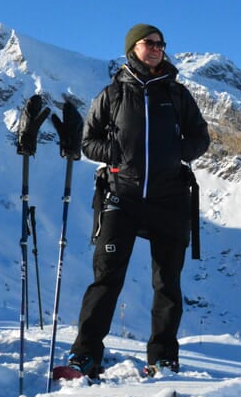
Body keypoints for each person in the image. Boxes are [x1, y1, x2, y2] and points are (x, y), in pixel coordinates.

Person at [65, 23, 210, 377]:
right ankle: (85, 354)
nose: (158, 49)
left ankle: (162, 356)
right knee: (106, 279)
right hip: (121, 196)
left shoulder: (177, 95)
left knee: (167, 283)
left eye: (161, 44)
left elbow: (201, 138)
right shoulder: (112, 95)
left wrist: (177, 151)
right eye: (150, 43)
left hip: (169, 198)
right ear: (133, 49)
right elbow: (88, 142)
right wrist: (114, 152)